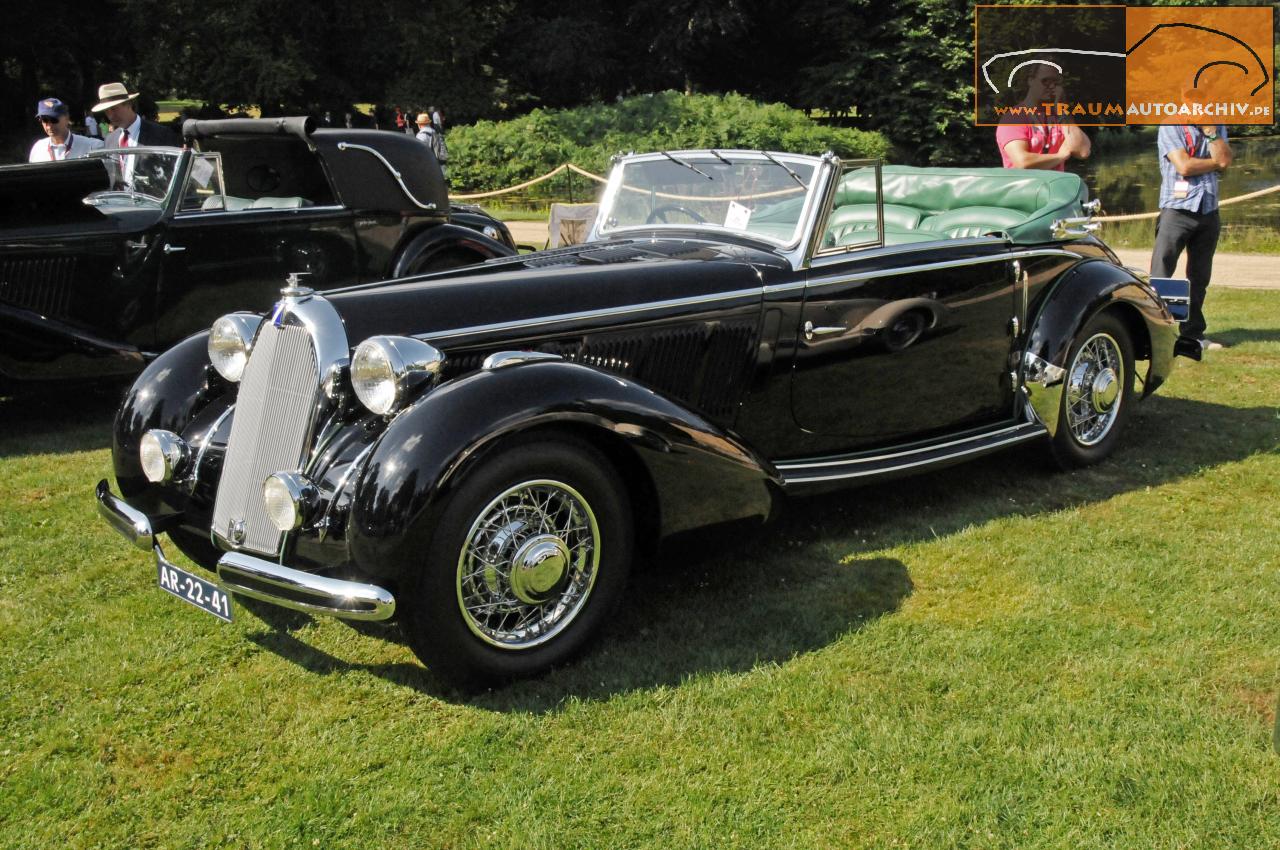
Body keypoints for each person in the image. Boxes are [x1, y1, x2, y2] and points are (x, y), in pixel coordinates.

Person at [1151, 119, 1232, 351]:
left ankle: (1193, 334)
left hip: (1208, 209)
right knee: (1161, 274)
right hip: (1176, 210)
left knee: (1199, 277)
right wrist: (1214, 162)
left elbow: (1225, 160)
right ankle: (1157, 332)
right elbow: (1183, 166)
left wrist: (1210, 133)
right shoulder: (1170, 125)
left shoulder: (1216, 125)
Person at [995, 63, 1090, 170]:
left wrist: (1061, 108)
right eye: (1046, 81)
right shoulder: (1014, 118)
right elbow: (1022, 163)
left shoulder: (1059, 116)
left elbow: (1083, 151)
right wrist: (1060, 156)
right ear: (1031, 80)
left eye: (1056, 82)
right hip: (1026, 186)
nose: (1052, 86)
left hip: (1054, 186)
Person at [93, 81, 179, 148]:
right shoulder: (110, 140)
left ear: (129, 104)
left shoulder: (160, 134)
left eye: (114, 109)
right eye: (106, 111)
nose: (111, 115)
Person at [28, 97, 104, 162]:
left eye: (54, 120)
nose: (49, 125)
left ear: (67, 118)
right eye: (44, 120)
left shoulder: (92, 146)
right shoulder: (38, 148)